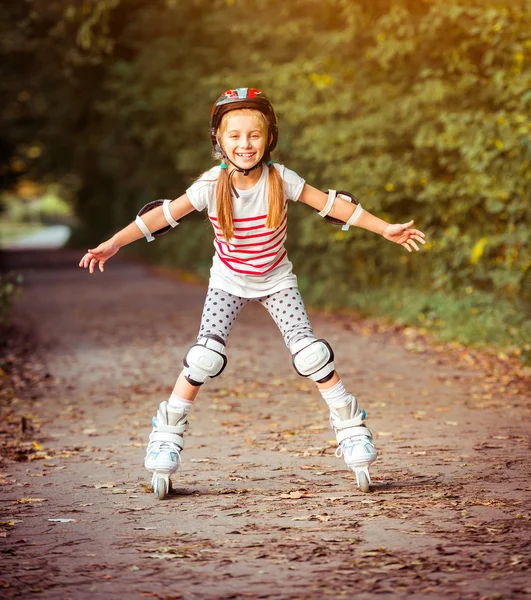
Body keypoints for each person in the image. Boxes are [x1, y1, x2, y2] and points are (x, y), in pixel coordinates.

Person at [79, 87, 426, 499]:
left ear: (269, 138)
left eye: (254, 135)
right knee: (204, 357)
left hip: (276, 279)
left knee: (310, 352)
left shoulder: (282, 179)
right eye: (235, 136)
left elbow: (334, 206)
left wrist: (384, 227)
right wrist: (115, 243)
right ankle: (165, 435)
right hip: (228, 280)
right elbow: (162, 215)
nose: (245, 144)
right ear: (219, 141)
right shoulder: (212, 184)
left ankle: (350, 428)